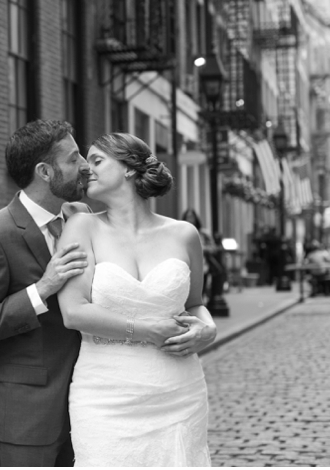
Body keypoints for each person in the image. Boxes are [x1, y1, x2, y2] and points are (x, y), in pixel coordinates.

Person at [58, 133, 217, 467]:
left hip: (179, 391)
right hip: (105, 395)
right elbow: (73, 312)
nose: (87, 169)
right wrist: (145, 330)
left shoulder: (184, 234)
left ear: (129, 169)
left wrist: (208, 329)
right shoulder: (81, 227)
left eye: (97, 160)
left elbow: (195, 303)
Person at [0, 119, 92, 467]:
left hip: (91, 409)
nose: (85, 166)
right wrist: (42, 289)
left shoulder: (81, 216)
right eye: (74, 158)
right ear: (45, 172)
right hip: (28, 419)